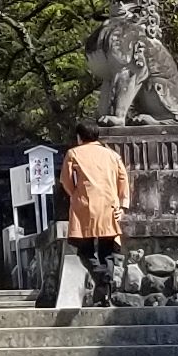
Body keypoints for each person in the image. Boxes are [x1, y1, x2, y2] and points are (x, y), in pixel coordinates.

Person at [58, 124, 129, 305]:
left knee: (84, 250)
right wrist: (123, 204)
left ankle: (100, 275)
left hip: (84, 206)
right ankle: (104, 294)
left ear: (80, 137)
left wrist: (76, 194)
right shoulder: (112, 155)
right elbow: (123, 179)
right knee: (108, 251)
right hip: (109, 206)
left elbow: (65, 180)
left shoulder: (74, 154)